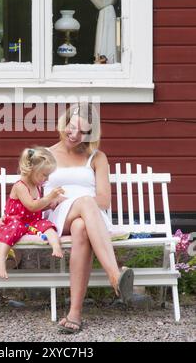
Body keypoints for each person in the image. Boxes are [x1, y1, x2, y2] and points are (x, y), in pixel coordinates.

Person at [43, 102, 134, 334]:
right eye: (72, 127)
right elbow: (32, 195)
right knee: (84, 201)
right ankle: (115, 275)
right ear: (64, 123)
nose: (75, 135)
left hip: (92, 219)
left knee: (82, 226)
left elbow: (103, 200)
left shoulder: (97, 157)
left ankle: (74, 314)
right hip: (57, 216)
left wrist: (83, 205)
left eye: (83, 131)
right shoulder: (45, 156)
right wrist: (60, 200)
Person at [0, 146, 65, 279]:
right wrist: (49, 197)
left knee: (48, 226)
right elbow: (32, 206)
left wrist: (50, 204)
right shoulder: (20, 186)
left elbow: (37, 208)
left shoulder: (36, 186)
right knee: (14, 227)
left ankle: (56, 246)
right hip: (16, 221)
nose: (47, 179)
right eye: (44, 175)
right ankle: (0, 259)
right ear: (32, 170)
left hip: (31, 222)